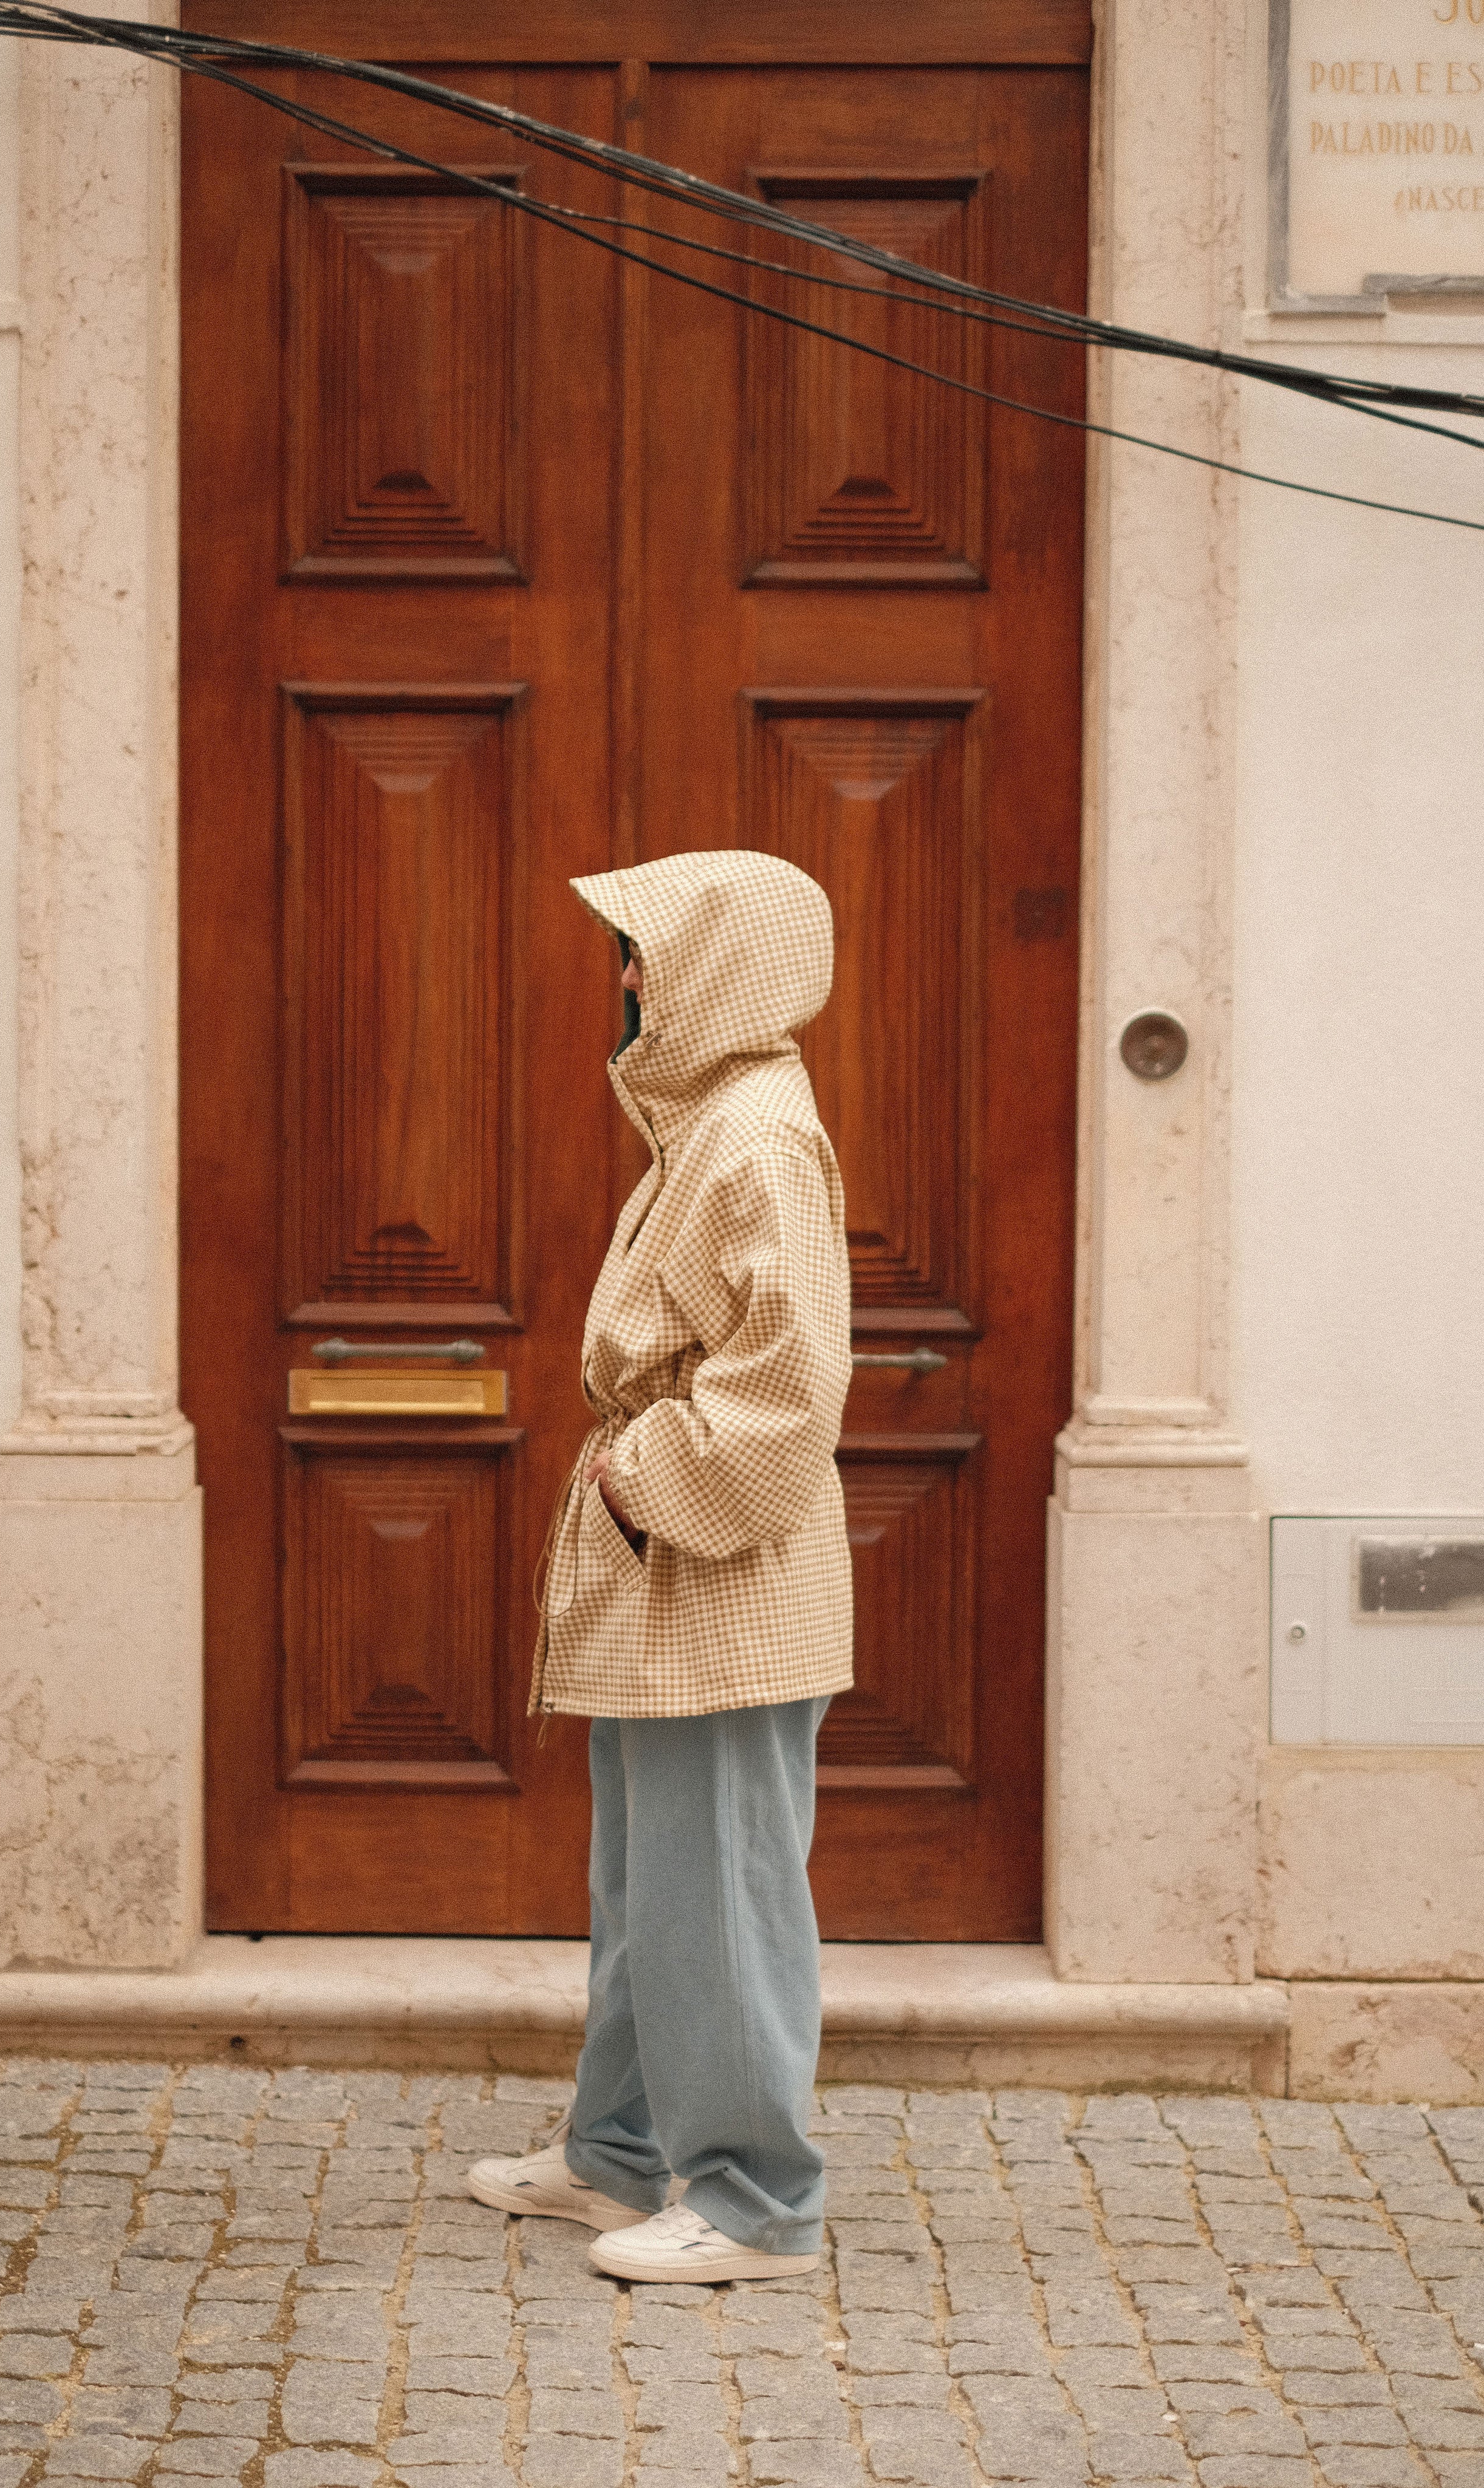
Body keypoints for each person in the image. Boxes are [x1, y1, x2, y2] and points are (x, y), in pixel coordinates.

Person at [468, 850, 853, 2284]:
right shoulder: (709, 1124)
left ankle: (757, 2202)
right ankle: (618, 2151)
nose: (627, 976)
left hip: (720, 1561)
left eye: (647, 947)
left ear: (723, 963)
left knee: (724, 1889)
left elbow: (791, 1382)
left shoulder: (756, 1138)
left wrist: (647, 1473)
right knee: (651, 1883)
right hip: (676, 1564)